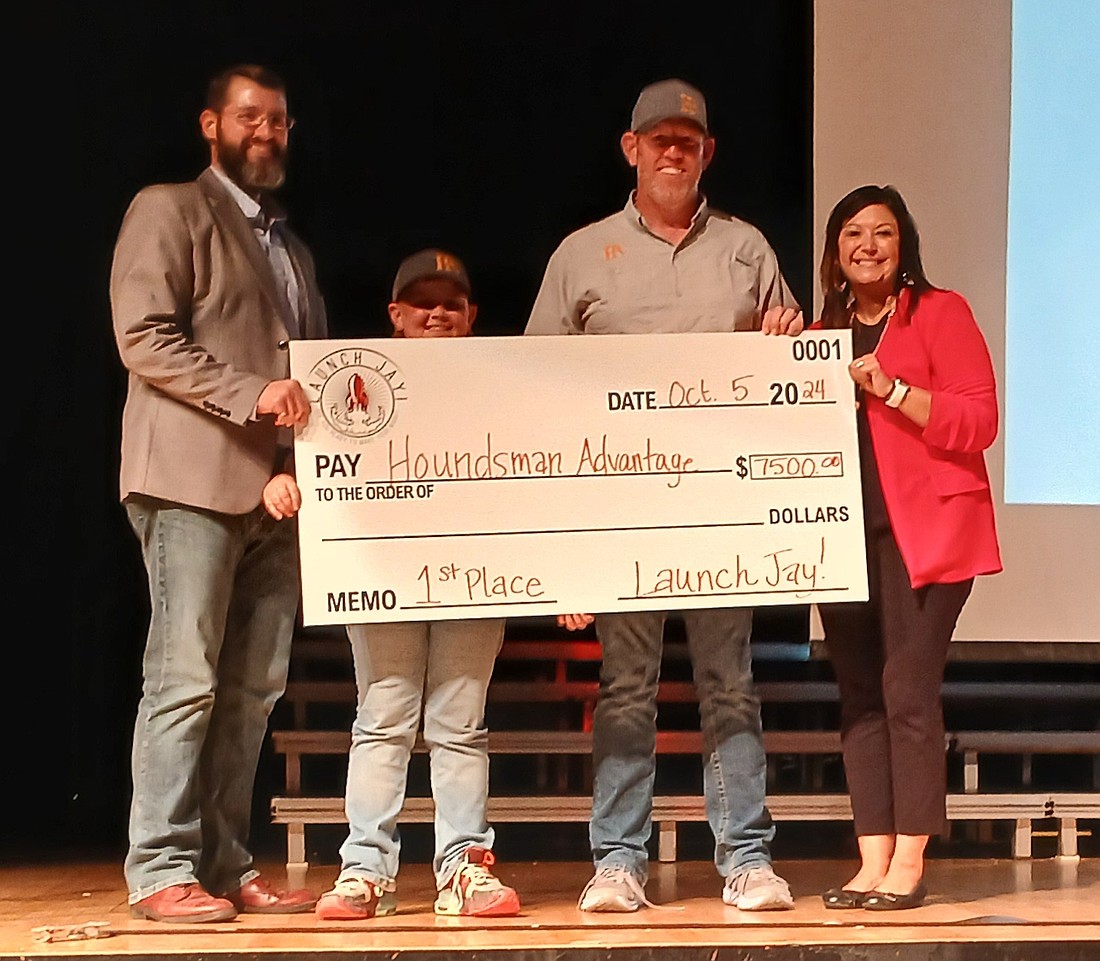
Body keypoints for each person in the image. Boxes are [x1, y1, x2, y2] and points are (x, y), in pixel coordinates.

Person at [525, 79, 803, 912]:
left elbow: (792, 367)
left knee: (731, 684)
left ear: (707, 151)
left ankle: (746, 858)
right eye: (659, 138)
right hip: (620, 514)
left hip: (722, 512)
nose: (673, 149)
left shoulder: (747, 248)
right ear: (631, 148)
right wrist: (563, 537)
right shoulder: (581, 252)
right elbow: (535, 387)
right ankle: (617, 859)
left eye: (688, 138)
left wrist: (787, 340)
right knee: (626, 686)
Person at [110, 64, 326, 923]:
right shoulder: (168, 208)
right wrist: (250, 396)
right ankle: (160, 864)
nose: (265, 132)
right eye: (248, 118)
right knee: (185, 678)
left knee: (252, 688)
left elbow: (304, 375)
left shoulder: (293, 248)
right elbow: (143, 337)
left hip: (276, 496)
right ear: (211, 124)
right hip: (189, 482)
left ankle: (226, 862)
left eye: (277, 120)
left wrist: (297, 461)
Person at [264, 249, 521, 920]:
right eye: (423, 301)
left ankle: (464, 865)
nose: (437, 311)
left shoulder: (506, 383)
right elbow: (318, 459)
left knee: (459, 723)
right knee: (383, 716)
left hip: (476, 574)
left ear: (471, 317)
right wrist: (289, 478)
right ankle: (365, 871)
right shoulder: (350, 386)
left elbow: (537, 475)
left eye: (451, 303)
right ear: (395, 314)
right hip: (382, 572)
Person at [813, 185, 1002, 911]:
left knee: (906, 689)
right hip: (839, 537)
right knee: (859, 694)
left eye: (883, 233)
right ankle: (872, 858)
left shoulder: (941, 312)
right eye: (853, 232)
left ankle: (912, 860)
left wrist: (892, 391)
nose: (868, 245)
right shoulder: (820, 329)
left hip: (928, 535)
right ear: (835, 248)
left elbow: (977, 420)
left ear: (904, 244)